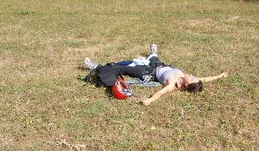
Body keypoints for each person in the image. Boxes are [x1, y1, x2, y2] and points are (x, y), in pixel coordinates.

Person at [84, 44, 228, 106]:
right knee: (155, 59)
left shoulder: (172, 85)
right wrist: (220, 75)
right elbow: (207, 79)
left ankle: (97, 67)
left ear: (186, 84)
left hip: (149, 73)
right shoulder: (183, 77)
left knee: (122, 68)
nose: (191, 75)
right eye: (194, 76)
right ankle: (153, 53)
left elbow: (160, 93)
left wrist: (149, 101)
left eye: (191, 78)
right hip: (159, 66)